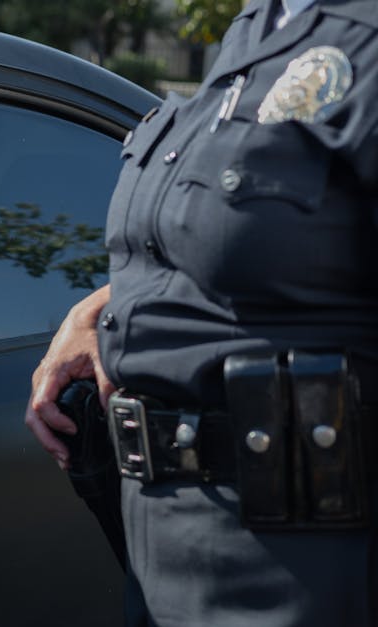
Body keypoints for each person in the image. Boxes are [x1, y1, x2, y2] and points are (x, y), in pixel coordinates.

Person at [25, 0, 378, 625]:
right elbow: (252, 239)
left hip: (306, 567)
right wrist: (104, 310)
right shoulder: (256, 27)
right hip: (165, 552)